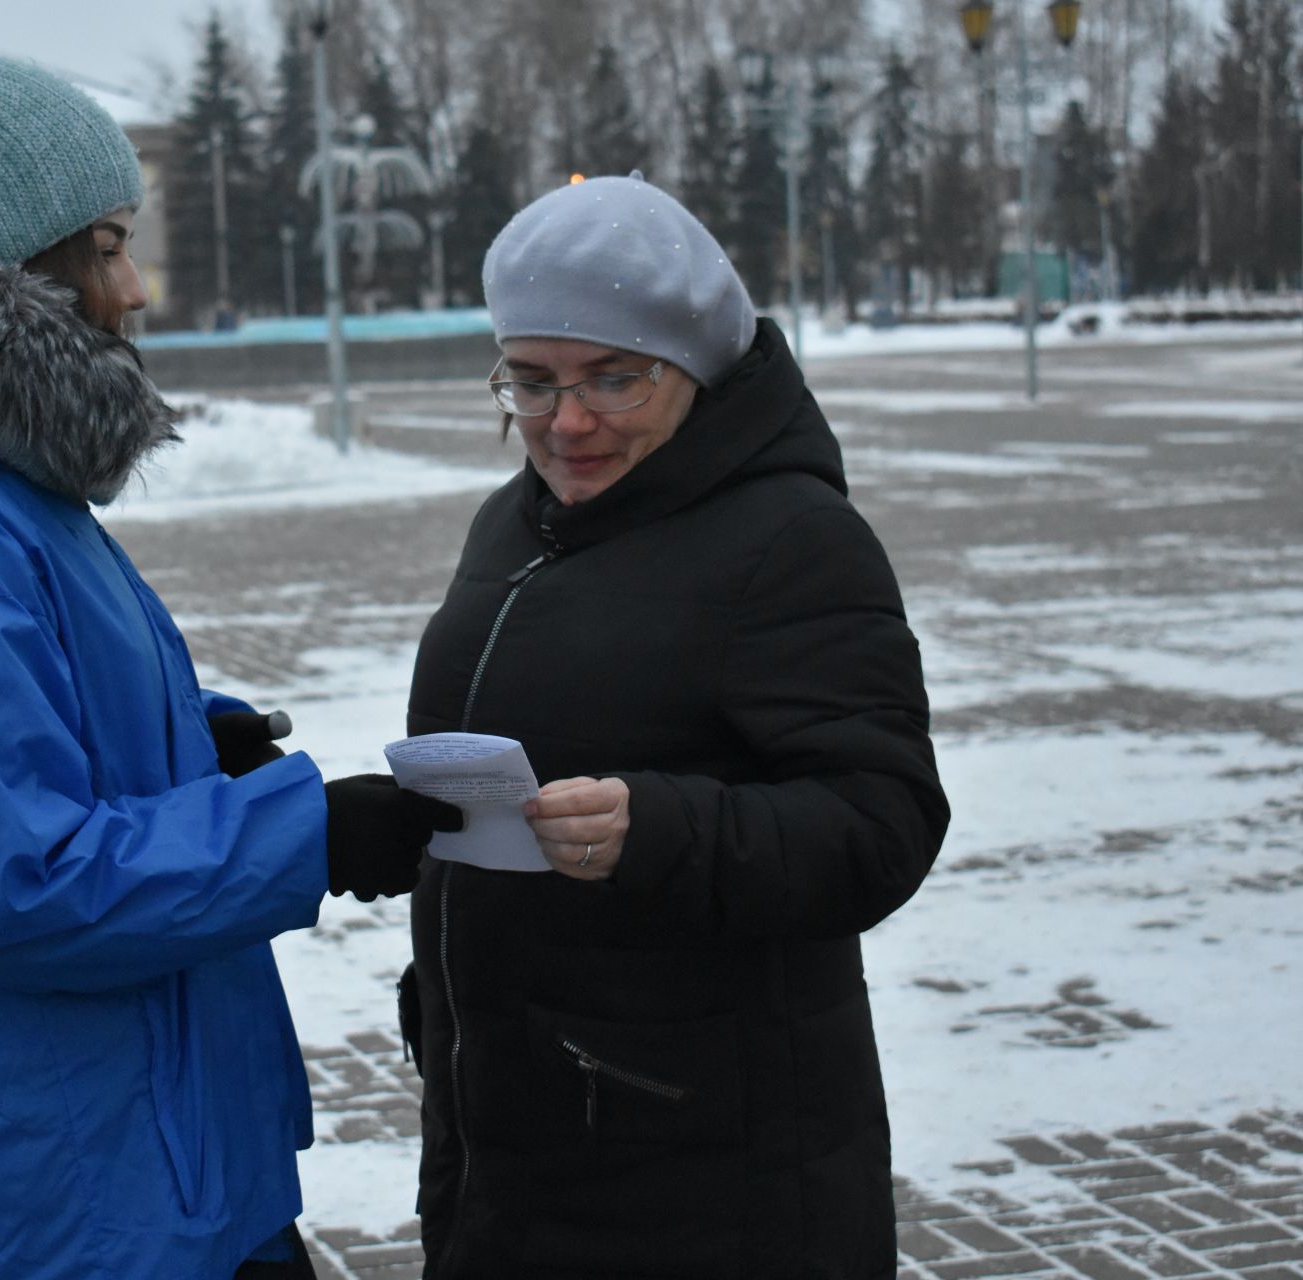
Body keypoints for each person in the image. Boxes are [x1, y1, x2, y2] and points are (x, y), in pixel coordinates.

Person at [0, 54, 459, 1280]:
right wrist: (308, 836)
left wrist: (178, 744)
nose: (135, 287)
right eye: (105, 246)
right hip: (53, 1207)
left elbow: (8, 755)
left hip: (131, 1170)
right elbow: (17, 882)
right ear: (6, 271)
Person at [398, 174, 950, 1278]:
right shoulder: (517, 519)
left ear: (692, 365)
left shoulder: (791, 538)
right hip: (514, 1124)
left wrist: (663, 828)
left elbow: (883, 817)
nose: (569, 419)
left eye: (615, 376)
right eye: (532, 381)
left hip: (704, 1165)